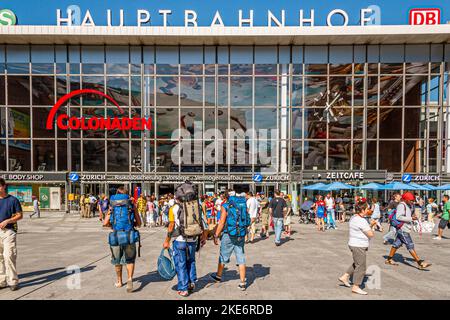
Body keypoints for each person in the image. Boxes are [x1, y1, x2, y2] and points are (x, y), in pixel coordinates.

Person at [163, 194, 206, 297]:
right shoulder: (195, 207)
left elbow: (171, 225)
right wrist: (203, 236)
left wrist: (167, 240)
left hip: (180, 240)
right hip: (193, 239)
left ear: (177, 197)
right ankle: (191, 283)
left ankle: (183, 288)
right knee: (191, 261)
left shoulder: (174, 208)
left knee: (181, 264)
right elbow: (202, 222)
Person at [103, 186, 142, 293]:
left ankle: (119, 281)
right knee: (130, 260)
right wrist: (135, 211)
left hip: (116, 236)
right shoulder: (131, 206)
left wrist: (110, 215)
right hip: (129, 235)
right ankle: (129, 279)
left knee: (117, 261)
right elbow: (139, 223)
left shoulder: (113, 206)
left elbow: (105, 223)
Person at [211, 191, 248, 291]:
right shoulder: (242, 204)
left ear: (226, 197)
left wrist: (216, 235)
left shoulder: (226, 206)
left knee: (223, 255)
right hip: (240, 233)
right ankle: (242, 282)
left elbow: (222, 222)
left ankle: (218, 276)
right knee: (241, 257)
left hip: (229, 234)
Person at [385, 192, 432, 270]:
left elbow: (405, 216)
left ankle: (389, 259)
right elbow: (399, 217)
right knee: (410, 245)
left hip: (404, 227)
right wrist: (411, 218)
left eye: (412, 200)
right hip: (403, 229)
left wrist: (411, 217)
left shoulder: (406, 205)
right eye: (410, 200)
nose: (412, 202)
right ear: (405, 199)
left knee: (397, 244)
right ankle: (420, 263)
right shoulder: (401, 205)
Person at [339, 200, 376, 295]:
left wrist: (370, 225)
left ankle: (345, 276)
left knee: (357, 262)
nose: (369, 210)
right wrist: (371, 226)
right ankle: (356, 286)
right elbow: (370, 234)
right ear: (363, 210)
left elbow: (361, 229)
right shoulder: (361, 220)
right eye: (367, 209)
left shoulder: (354, 217)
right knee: (361, 267)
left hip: (354, 244)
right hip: (358, 245)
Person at [0, 178, 23, 290]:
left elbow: (19, 215)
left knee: (9, 255)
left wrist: (8, 221)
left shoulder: (13, 200)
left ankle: (13, 281)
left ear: (4, 186)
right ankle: (1, 281)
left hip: (9, 231)